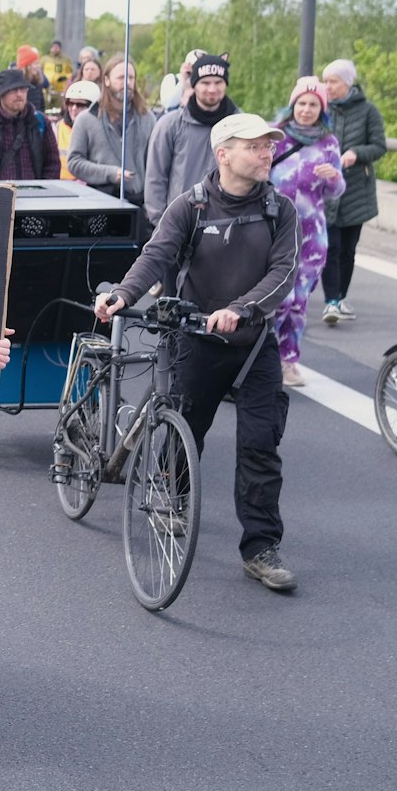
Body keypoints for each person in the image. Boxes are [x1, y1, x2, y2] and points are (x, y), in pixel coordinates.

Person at [96, 111, 301, 593]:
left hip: (253, 344)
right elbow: (157, 254)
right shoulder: (191, 206)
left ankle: (260, 548)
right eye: (255, 146)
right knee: (187, 432)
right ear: (224, 153)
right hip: (196, 338)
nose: (267, 152)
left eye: (269, 145)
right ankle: (174, 496)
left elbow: (285, 272)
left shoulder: (280, 209)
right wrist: (123, 295)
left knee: (259, 445)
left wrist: (242, 308)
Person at [270, 79, 345, 385]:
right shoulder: (276, 138)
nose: (306, 110)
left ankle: (289, 361)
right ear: (292, 106)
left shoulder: (328, 144)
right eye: (301, 103)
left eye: (313, 105)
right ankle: (264, 359)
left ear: (321, 110)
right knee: (279, 299)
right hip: (276, 230)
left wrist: (334, 177)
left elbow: (337, 190)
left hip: (312, 234)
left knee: (299, 302)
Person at [318, 58, 387, 324]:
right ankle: (331, 301)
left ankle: (341, 296)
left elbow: (379, 146)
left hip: (356, 191)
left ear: (346, 83)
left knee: (348, 249)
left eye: (332, 81)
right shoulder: (323, 111)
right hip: (327, 191)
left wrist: (356, 154)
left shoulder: (369, 111)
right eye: (325, 81)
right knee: (330, 247)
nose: (327, 87)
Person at [142, 51, 239, 226]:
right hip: (180, 227)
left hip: (229, 227)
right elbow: (155, 179)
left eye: (218, 82)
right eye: (205, 82)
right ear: (194, 85)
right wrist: (162, 226)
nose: (212, 89)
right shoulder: (169, 125)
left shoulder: (241, 125)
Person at [65, 59, 153, 207]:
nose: (127, 83)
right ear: (106, 80)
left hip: (140, 204)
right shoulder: (86, 119)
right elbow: (74, 162)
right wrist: (110, 173)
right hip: (99, 204)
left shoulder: (147, 118)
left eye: (131, 78)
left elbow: (157, 164)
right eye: (121, 77)